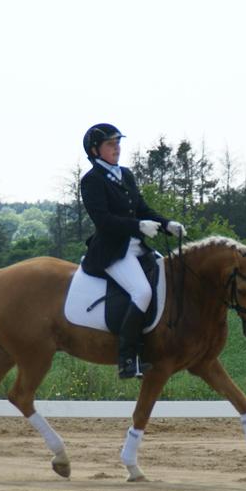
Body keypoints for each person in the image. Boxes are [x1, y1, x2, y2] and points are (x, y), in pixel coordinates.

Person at [79, 123, 185, 379]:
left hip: (138, 249)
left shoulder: (125, 174)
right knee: (142, 291)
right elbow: (103, 220)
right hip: (113, 251)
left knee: (170, 280)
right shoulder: (91, 181)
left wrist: (165, 223)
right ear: (95, 150)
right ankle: (127, 359)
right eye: (110, 144)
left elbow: (142, 208)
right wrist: (137, 226)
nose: (117, 148)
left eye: (118, 143)